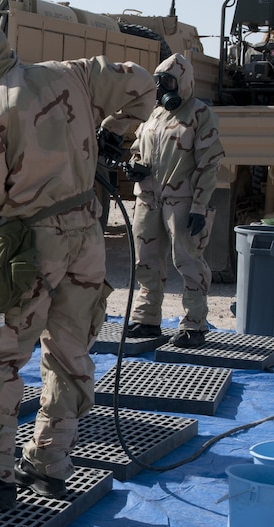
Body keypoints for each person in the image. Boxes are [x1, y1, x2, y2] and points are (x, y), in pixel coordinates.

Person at [0, 20, 155, 509]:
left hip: (27, 251)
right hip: (87, 236)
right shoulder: (72, 73)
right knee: (70, 353)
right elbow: (144, 83)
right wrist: (112, 135)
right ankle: (50, 467)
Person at [125, 53, 225, 348]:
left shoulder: (199, 114)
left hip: (181, 201)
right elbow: (137, 148)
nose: (162, 88)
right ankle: (147, 320)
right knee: (146, 261)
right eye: (158, 82)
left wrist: (198, 207)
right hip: (147, 198)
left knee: (188, 260)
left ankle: (194, 324)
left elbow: (210, 164)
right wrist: (136, 166)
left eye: (168, 82)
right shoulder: (153, 115)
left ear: (183, 83)